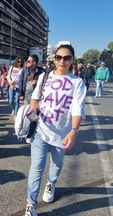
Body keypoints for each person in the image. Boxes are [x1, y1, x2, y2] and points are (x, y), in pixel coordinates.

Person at [25, 45, 86, 216]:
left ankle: (51, 183)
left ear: (72, 60)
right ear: (54, 59)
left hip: (62, 133)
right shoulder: (45, 77)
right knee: (36, 167)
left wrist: (74, 130)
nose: (62, 61)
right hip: (41, 130)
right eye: (59, 57)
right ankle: (31, 204)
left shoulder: (77, 82)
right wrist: (33, 108)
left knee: (57, 165)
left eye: (66, 58)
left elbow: (77, 109)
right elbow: (35, 98)